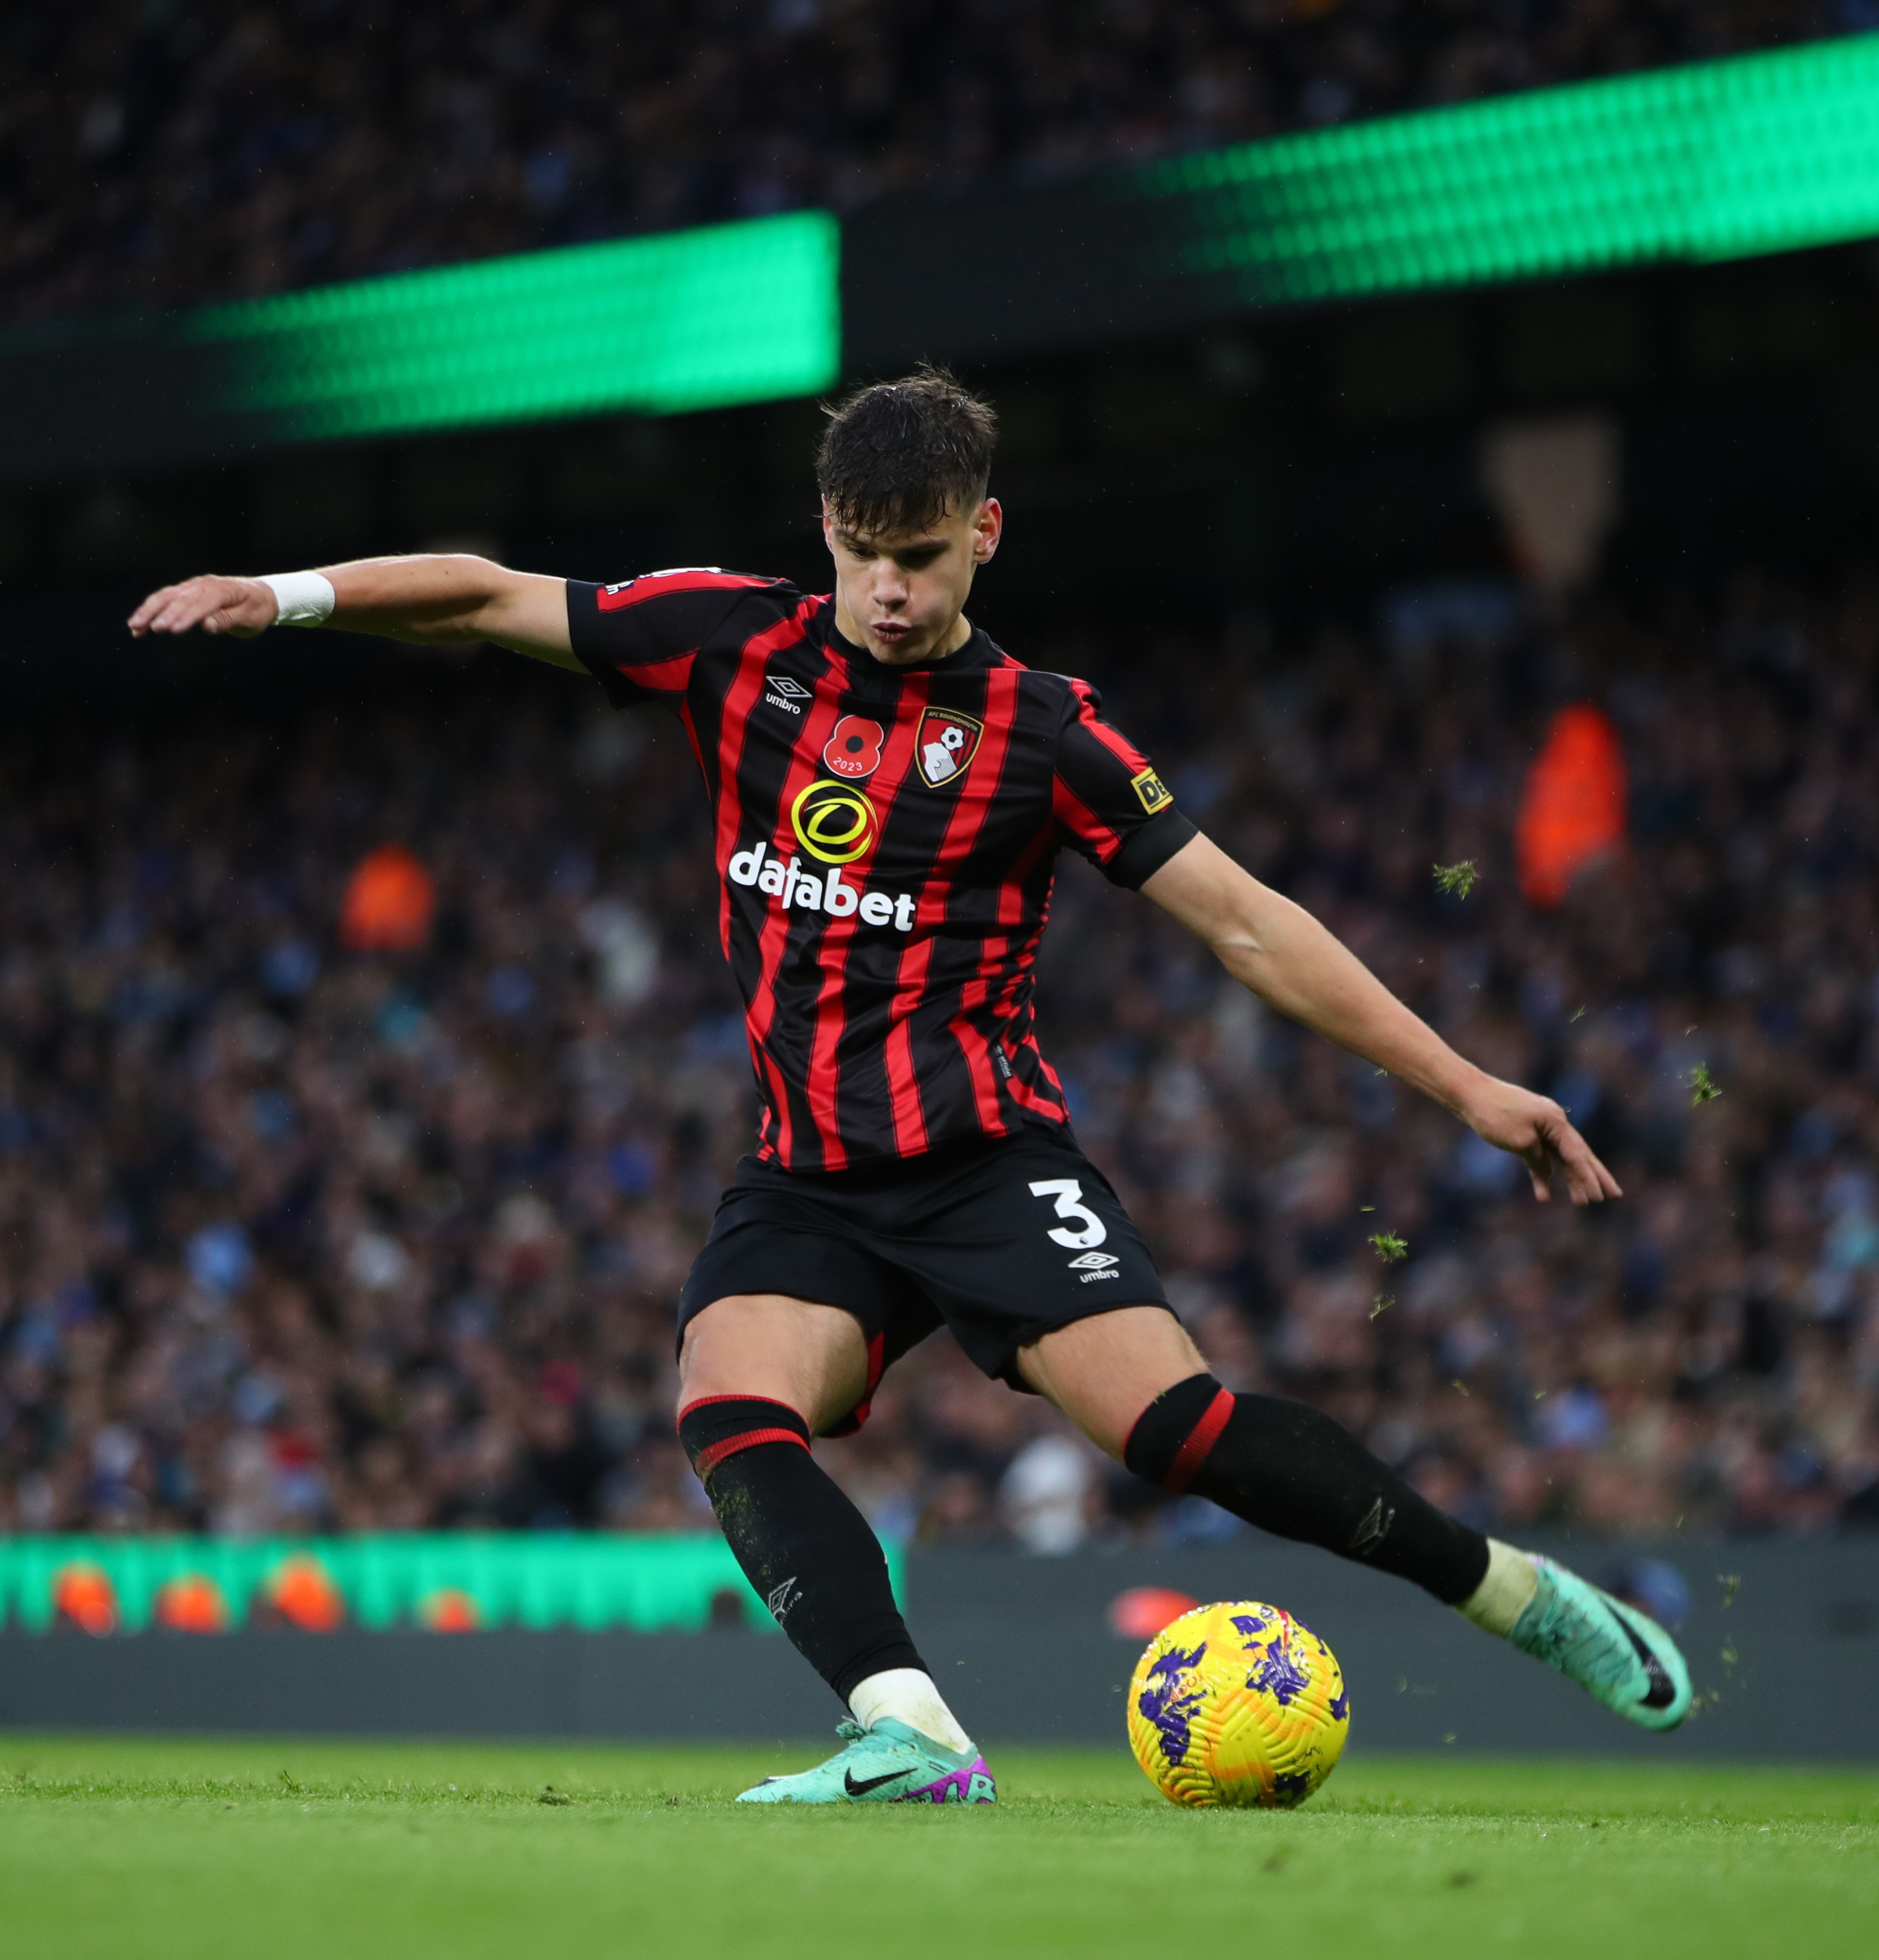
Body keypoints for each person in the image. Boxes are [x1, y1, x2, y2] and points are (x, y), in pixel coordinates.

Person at [128, 368, 1691, 1803]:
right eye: (866, 551)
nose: (890, 588)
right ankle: (913, 1728)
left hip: (988, 1161)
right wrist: (280, 595)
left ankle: (1511, 1593)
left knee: (1183, 1436)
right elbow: (479, 595)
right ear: (825, 529)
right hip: (808, 1175)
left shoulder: (1046, 733)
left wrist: (1467, 1085)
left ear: (985, 536)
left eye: (926, 556)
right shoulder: (731, 640)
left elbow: (1244, 923)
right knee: (729, 1406)